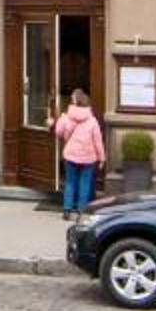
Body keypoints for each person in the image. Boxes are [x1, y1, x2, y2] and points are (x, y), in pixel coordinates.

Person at [52, 87, 105, 216]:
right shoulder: (92, 120)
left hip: (71, 155)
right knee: (84, 183)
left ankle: (67, 209)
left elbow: (58, 132)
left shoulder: (66, 117)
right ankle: (81, 210)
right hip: (88, 158)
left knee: (70, 182)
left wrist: (55, 121)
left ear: (75, 101)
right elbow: (98, 141)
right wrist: (102, 158)